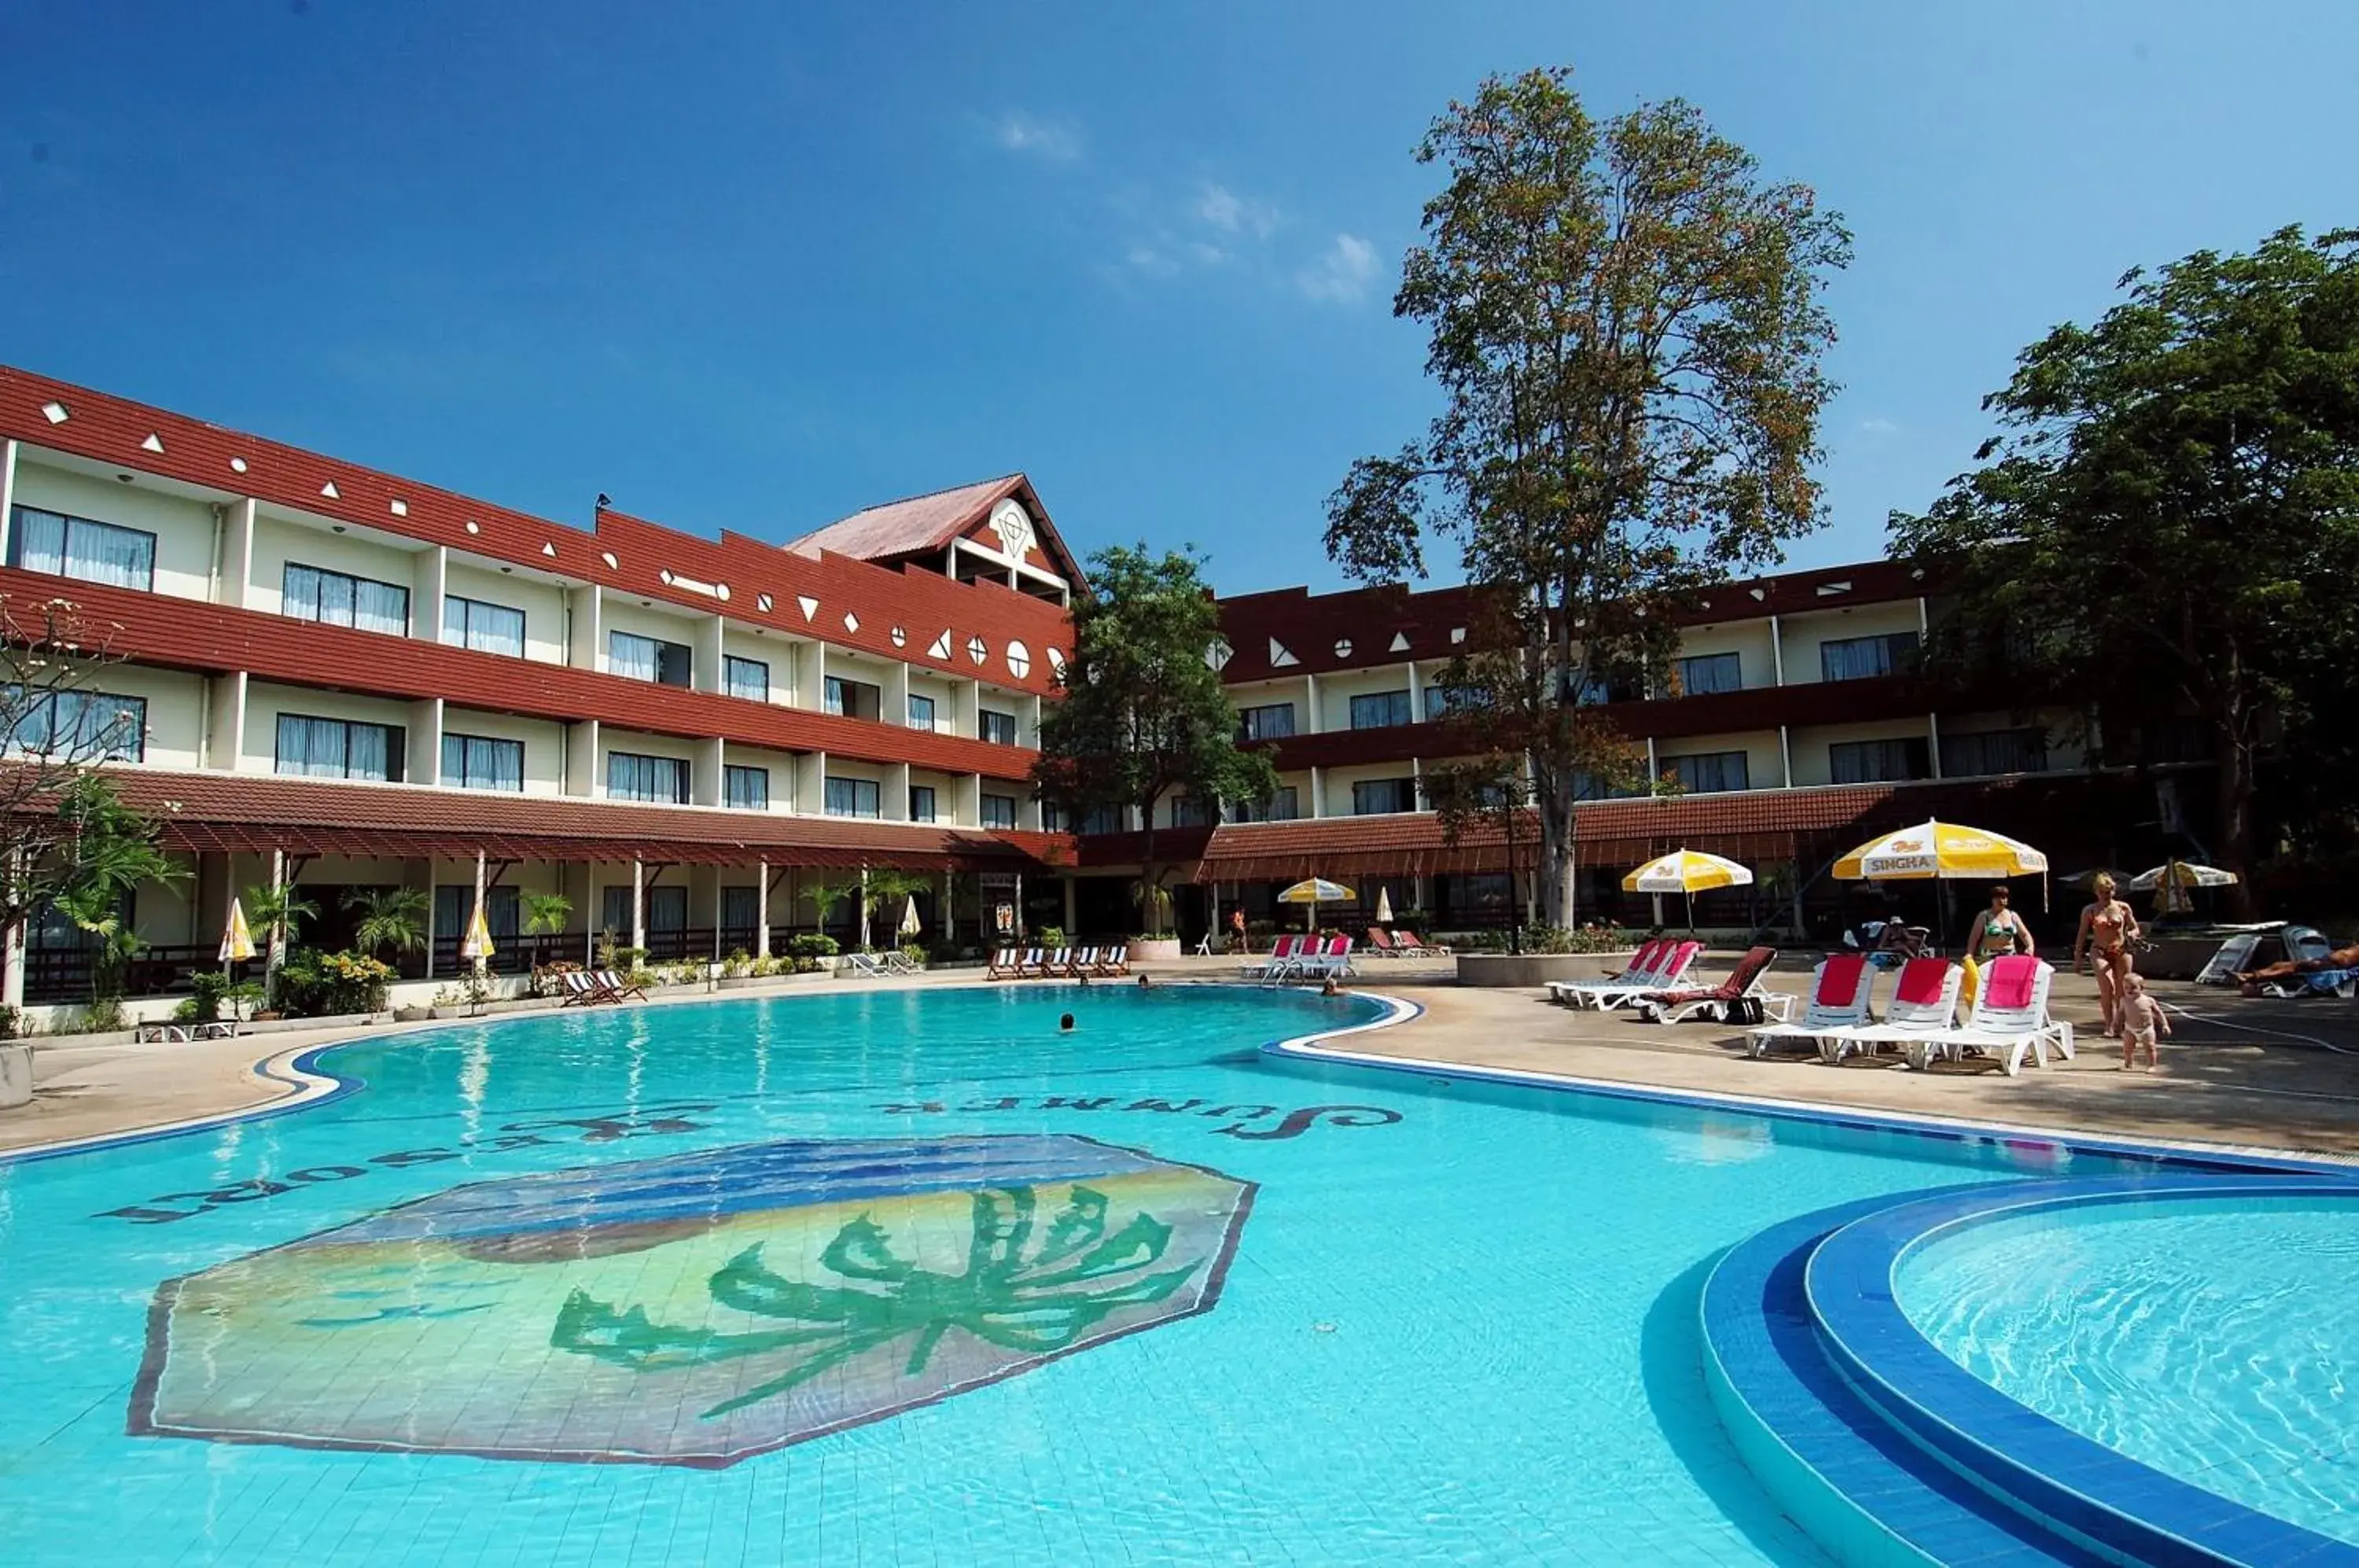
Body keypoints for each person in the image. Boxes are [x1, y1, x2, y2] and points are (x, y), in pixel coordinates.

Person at [2074, 873, 2141, 1037]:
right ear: (2096, 892)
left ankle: (2121, 1023)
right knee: (2107, 988)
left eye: (2109, 891)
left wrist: (2133, 933)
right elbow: (2082, 934)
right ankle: (2109, 1024)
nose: (2106, 895)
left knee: (2121, 990)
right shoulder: (2090, 910)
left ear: (2114, 891)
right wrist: (2078, 956)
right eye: (2103, 891)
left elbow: (2135, 927)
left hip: (2121, 950)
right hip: (2099, 951)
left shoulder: (2123, 908)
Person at [2236, 939, 2359, 988]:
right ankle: (2248, 976)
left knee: (2293, 968)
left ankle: (2254, 977)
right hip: (2329, 961)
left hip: (2331, 965)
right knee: (2280, 965)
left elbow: (2342, 959)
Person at [2117, 973, 2170, 1070]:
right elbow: (2120, 1013)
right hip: (2130, 1028)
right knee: (2127, 1048)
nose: (2129, 990)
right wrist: (2116, 1024)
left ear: (2141, 988)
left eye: (2133, 988)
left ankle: (2151, 1065)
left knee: (2150, 1047)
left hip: (2146, 1028)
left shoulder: (2148, 1000)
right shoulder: (2123, 1000)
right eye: (2126, 988)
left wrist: (2165, 1025)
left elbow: (2158, 1013)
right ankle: (2128, 1062)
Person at [1969, 885, 2034, 963]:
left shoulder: (2013, 915)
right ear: (1992, 899)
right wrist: (1970, 953)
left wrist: (2030, 947)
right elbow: (1974, 937)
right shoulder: (1984, 916)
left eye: (2004, 898)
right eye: (1998, 898)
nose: (2001, 900)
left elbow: (2025, 934)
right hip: (1988, 957)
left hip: (2009, 955)